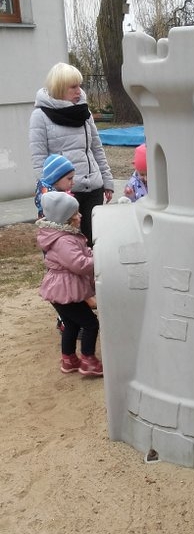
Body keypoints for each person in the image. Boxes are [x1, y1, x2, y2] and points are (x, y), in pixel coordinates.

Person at [29, 62, 114, 247]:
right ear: (60, 88)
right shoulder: (40, 116)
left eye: (79, 86)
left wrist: (107, 181)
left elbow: (96, 148)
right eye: (73, 87)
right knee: (69, 245)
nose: (79, 91)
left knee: (95, 243)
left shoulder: (84, 112)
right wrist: (50, 193)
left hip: (94, 187)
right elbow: (39, 159)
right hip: (65, 193)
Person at [36, 189, 103, 378]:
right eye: (75, 213)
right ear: (66, 218)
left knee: (71, 324)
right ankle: (88, 361)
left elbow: (82, 254)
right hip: (64, 292)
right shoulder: (64, 241)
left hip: (63, 291)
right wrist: (100, 259)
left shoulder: (67, 236)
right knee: (90, 324)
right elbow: (79, 264)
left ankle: (69, 359)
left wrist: (93, 252)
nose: (80, 216)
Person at [34, 153, 76, 218]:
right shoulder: (50, 199)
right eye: (69, 178)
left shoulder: (57, 192)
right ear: (55, 179)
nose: (73, 183)